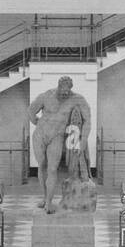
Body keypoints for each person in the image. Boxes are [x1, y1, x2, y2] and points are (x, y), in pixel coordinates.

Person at [28, 75, 92, 214]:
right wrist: (38, 123)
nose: (64, 94)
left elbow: (88, 120)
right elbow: (31, 110)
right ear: (58, 87)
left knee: (52, 169)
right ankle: (45, 198)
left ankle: (49, 203)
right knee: (42, 165)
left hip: (57, 137)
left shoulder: (77, 99)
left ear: (70, 90)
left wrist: (83, 140)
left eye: (67, 92)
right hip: (40, 135)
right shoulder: (46, 96)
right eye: (62, 91)